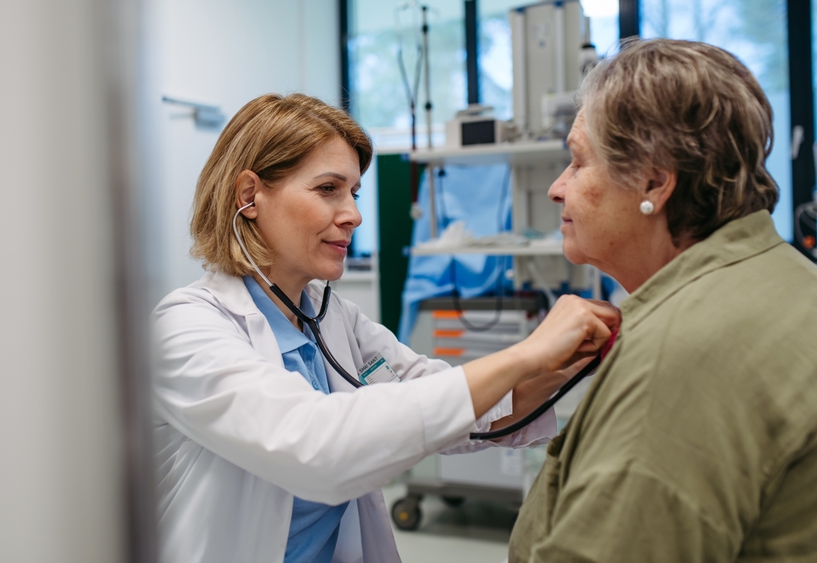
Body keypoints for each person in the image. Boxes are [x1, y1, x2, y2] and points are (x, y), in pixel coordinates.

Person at [151, 93, 620, 563]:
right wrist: (525, 354)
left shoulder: (332, 317)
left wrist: (562, 366)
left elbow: (437, 398)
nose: (353, 214)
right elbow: (317, 449)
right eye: (328, 189)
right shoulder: (186, 327)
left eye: (353, 193)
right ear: (249, 196)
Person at [508, 38, 817, 562]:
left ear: (654, 182)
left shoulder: (682, 354)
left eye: (576, 163)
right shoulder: (781, 277)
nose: (556, 188)